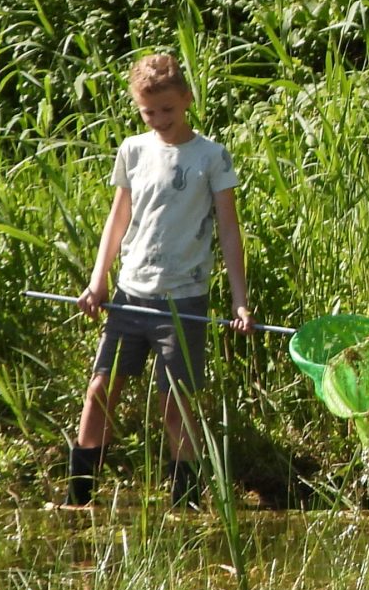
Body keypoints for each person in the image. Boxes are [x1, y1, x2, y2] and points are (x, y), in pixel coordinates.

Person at [66, 54, 254, 509]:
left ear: (187, 100)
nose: (159, 120)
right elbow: (118, 218)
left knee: (177, 404)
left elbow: (229, 230)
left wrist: (239, 301)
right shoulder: (133, 149)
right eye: (149, 112)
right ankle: (77, 498)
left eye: (168, 110)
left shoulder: (211, 155)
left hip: (184, 298)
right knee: (100, 392)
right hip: (131, 293)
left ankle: (185, 503)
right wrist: (98, 282)